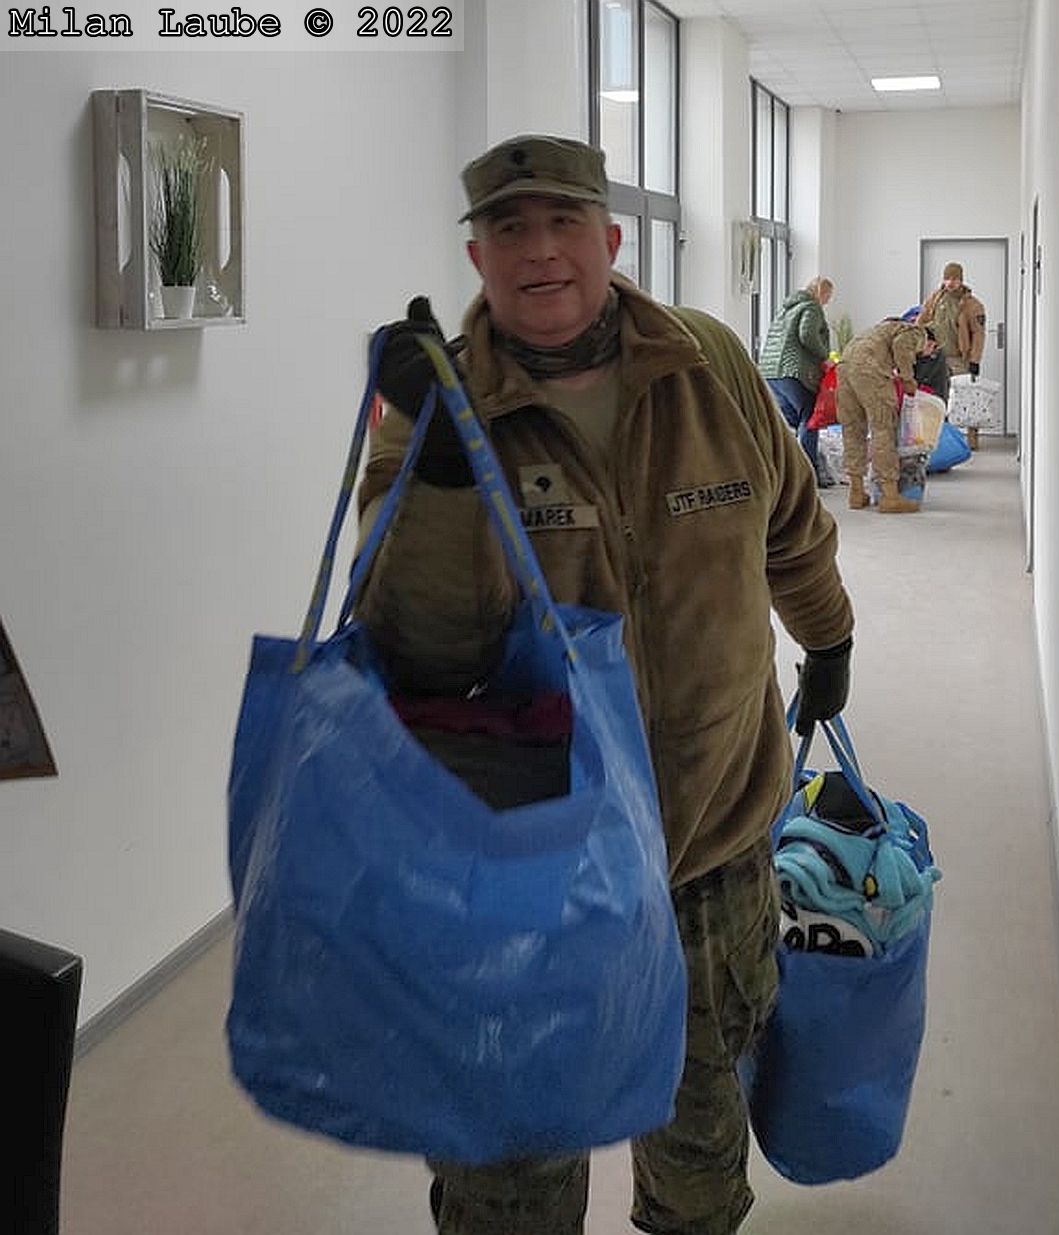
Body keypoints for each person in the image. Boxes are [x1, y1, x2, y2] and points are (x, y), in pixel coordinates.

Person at [356, 134, 855, 1235]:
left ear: (612, 239)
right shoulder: (438, 407)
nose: (540, 251)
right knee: (510, 1184)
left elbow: (789, 526)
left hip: (707, 851)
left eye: (564, 222)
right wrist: (442, 468)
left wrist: (828, 638)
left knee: (699, 1170)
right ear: (477, 255)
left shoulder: (708, 365)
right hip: (520, 873)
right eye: (510, 229)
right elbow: (416, 641)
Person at [836, 318, 940, 514]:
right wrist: (908, 379)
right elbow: (902, 346)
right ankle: (890, 497)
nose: (928, 354)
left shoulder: (881, 329)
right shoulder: (916, 332)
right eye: (932, 350)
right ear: (930, 342)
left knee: (853, 430)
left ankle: (856, 493)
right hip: (869, 369)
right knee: (883, 429)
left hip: (845, 367)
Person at [757, 276, 836, 487]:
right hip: (793, 371)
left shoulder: (786, 309)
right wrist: (825, 356)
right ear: (821, 292)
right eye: (828, 296)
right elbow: (807, 334)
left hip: (770, 372)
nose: (828, 301)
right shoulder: (812, 307)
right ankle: (809, 476)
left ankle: (785, 473)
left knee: (790, 423)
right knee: (810, 418)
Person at [917, 261, 987, 448]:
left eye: (954, 279)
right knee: (938, 398)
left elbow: (978, 334)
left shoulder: (972, 305)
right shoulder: (935, 298)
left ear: (961, 280)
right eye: (947, 278)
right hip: (936, 357)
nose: (950, 283)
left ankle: (972, 440)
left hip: (959, 358)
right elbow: (921, 320)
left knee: (966, 398)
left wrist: (975, 360)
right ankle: (938, 438)